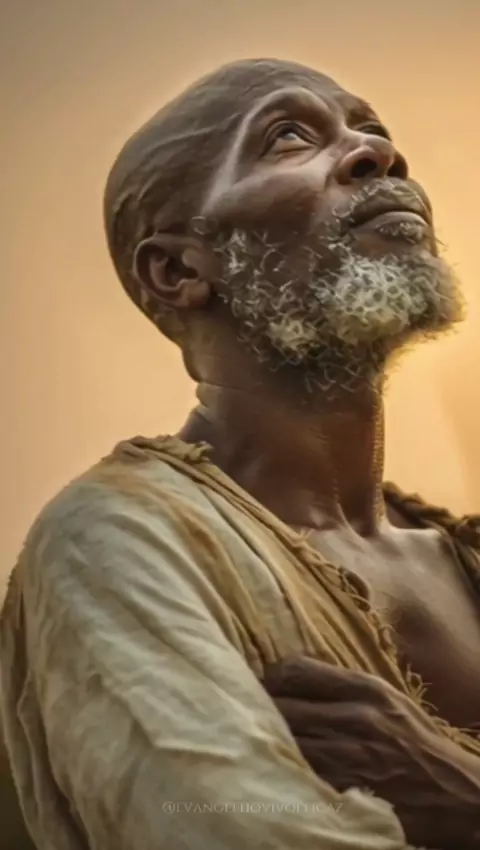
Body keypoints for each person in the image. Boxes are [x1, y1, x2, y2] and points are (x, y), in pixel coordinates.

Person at [2, 57, 480, 850]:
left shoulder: (461, 555)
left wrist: (461, 794)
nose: (378, 153)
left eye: (373, 130)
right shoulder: (120, 540)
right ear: (179, 269)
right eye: (288, 137)